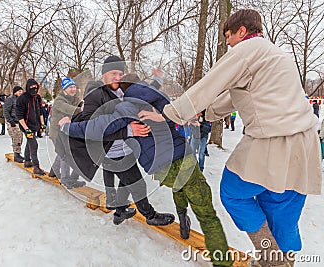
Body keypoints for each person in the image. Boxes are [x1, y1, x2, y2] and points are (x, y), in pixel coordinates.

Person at [159, 9, 321, 267]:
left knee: (233, 192)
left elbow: (211, 83)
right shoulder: (276, 56)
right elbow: (235, 96)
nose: (227, 42)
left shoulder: (247, 49)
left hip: (273, 140)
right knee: (280, 207)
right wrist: (206, 113)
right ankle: (285, 262)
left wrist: (174, 112)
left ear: (242, 31)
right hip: (304, 143)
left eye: (228, 35)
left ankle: (271, 259)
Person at [59, 74, 233, 267]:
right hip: (178, 155)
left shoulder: (124, 106)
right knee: (206, 212)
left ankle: (179, 216)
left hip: (157, 166)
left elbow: (93, 128)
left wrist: (67, 127)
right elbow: (177, 114)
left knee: (174, 185)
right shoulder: (153, 99)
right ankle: (223, 261)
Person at [55, 56, 175, 226]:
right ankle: (150, 215)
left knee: (126, 182)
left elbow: (142, 95)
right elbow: (92, 129)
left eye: (120, 73)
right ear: (104, 74)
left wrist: (157, 80)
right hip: (111, 151)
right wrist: (128, 130)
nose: (118, 77)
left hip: (126, 147)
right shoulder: (94, 95)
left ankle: (119, 212)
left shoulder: (121, 91)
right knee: (138, 184)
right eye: (113, 73)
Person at [48, 77, 86, 189]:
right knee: (65, 154)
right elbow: (69, 109)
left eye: (74, 87)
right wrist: (81, 110)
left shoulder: (72, 98)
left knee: (60, 154)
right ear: (65, 89)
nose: (73, 89)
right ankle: (65, 179)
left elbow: (80, 103)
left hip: (64, 131)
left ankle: (53, 172)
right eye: (70, 87)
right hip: (56, 133)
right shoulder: (59, 100)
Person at [16, 79, 46, 175]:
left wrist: (42, 124)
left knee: (29, 143)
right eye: (32, 87)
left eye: (36, 87)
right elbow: (19, 116)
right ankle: (36, 167)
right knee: (34, 144)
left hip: (35, 124)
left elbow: (40, 112)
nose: (34, 89)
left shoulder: (37, 98)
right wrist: (27, 129)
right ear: (28, 88)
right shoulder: (22, 98)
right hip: (26, 125)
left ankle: (28, 161)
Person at [4, 86, 25, 163]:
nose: (21, 92)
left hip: (19, 121)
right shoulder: (10, 99)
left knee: (20, 137)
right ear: (15, 92)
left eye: (21, 91)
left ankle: (18, 153)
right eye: (19, 91)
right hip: (12, 121)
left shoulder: (21, 99)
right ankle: (16, 155)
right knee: (16, 137)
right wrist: (11, 122)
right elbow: (6, 111)